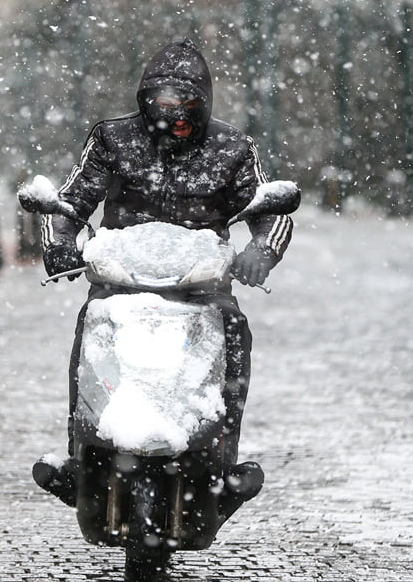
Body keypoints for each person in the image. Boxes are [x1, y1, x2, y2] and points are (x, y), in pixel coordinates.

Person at [32, 38, 293, 519]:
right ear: (143, 98)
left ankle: (224, 470)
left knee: (235, 333)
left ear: (204, 100)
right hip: (119, 284)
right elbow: (70, 202)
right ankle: (79, 457)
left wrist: (261, 250)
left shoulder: (233, 148)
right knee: (90, 327)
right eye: (160, 100)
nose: (171, 112)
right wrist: (58, 241)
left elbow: (270, 211)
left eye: (183, 101)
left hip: (202, 292)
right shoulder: (112, 139)